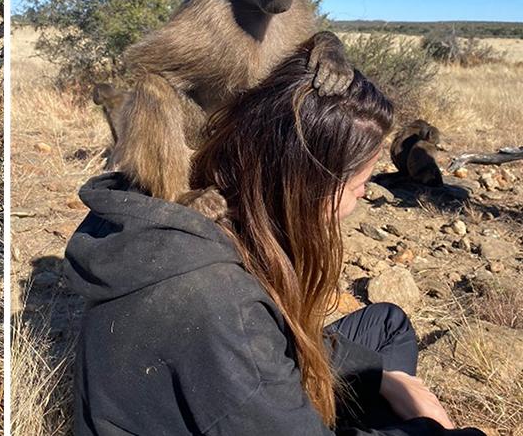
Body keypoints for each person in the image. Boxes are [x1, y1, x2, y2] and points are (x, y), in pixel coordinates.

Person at [65, 55, 485, 436]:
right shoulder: (224, 307)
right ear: (309, 181)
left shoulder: (211, 198)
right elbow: (239, 336)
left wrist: (380, 376)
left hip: (223, 383)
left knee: (387, 326)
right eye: (359, 183)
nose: (364, 194)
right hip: (226, 373)